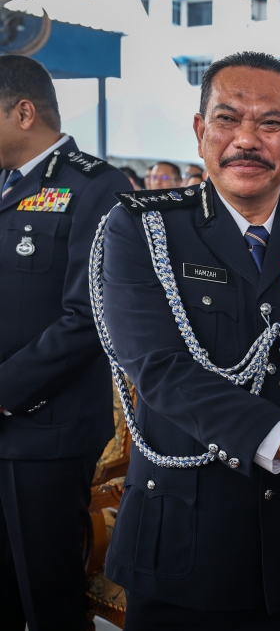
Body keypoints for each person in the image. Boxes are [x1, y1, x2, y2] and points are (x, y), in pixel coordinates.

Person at [98, 52, 280, 629]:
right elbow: (160, 370)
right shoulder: (142, 227)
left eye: (271, 124)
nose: (246, 140)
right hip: (185, 543)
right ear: (201, 132)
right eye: (228, 119)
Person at [0, 54, 128, 631]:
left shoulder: (95, 185)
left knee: (46, 594)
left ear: (23, 112)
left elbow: (88, 317)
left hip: (43, 431)